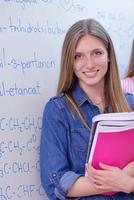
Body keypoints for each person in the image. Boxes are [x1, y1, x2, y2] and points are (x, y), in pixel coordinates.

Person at [40, 18, 134, 200]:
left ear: (108, 55)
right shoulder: (57, 110)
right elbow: (56, 183)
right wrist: (118, 180)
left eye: (97, 53)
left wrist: (127, 183)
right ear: (70, 62)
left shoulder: (131, 105)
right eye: (78, 56)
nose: (89, 64)